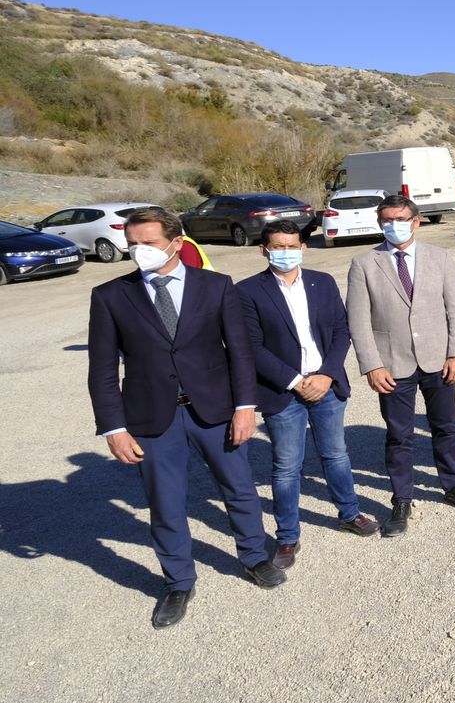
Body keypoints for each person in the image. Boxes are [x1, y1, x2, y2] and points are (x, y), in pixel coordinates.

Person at [86, 207, 283, 628]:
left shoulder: (216, 287)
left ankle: (253, 556)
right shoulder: (111, 296)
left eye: (149, 243)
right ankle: (178, 581)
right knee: (165, 504)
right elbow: (102, 369)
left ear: (177, 243)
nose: (139, 251)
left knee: (239, 489)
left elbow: (240, 353)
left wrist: (246, 406)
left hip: (214, 410)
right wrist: (114, 428)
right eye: (133, 243)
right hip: (151, 418)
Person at [237, 220, 378, 570]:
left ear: (303, 247)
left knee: (336, 455)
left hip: (326, 385)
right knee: (287, 466)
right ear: (263, 250)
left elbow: (340, 330)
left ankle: (350, 513)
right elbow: (251, 347)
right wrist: (297, 381)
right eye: (277, 246)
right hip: (283, 391)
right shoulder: (248, 291)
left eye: (292, 245)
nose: (285, 252)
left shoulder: (322, 282)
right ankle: (287, 536)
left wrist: (328, 374)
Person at [346, 194, 455, 536]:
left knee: (446, 427)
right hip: (392, 364)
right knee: (399, 435)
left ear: (416, 221)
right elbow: (358, 321)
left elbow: (454, 309)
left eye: (400, 219)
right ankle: (401, 498)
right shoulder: (364, 263)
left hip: (438, 359)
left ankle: (451, 485)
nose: (394, 225)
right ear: (380, 223)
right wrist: (371, 365)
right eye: (387, 220)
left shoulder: (440, 257)